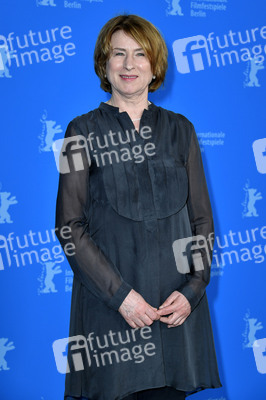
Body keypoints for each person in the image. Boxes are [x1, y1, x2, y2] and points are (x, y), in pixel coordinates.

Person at [55, 14, 222, 400]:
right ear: (104, 63)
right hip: (110, 318)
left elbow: (201, 219)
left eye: (140, 54)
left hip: (173, 314)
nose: (129, 65)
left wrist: (194, 288)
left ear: (155, 65)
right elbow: (69, 226)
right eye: (118, 54)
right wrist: (122, 298)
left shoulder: (182, 130)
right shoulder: (79, 131)